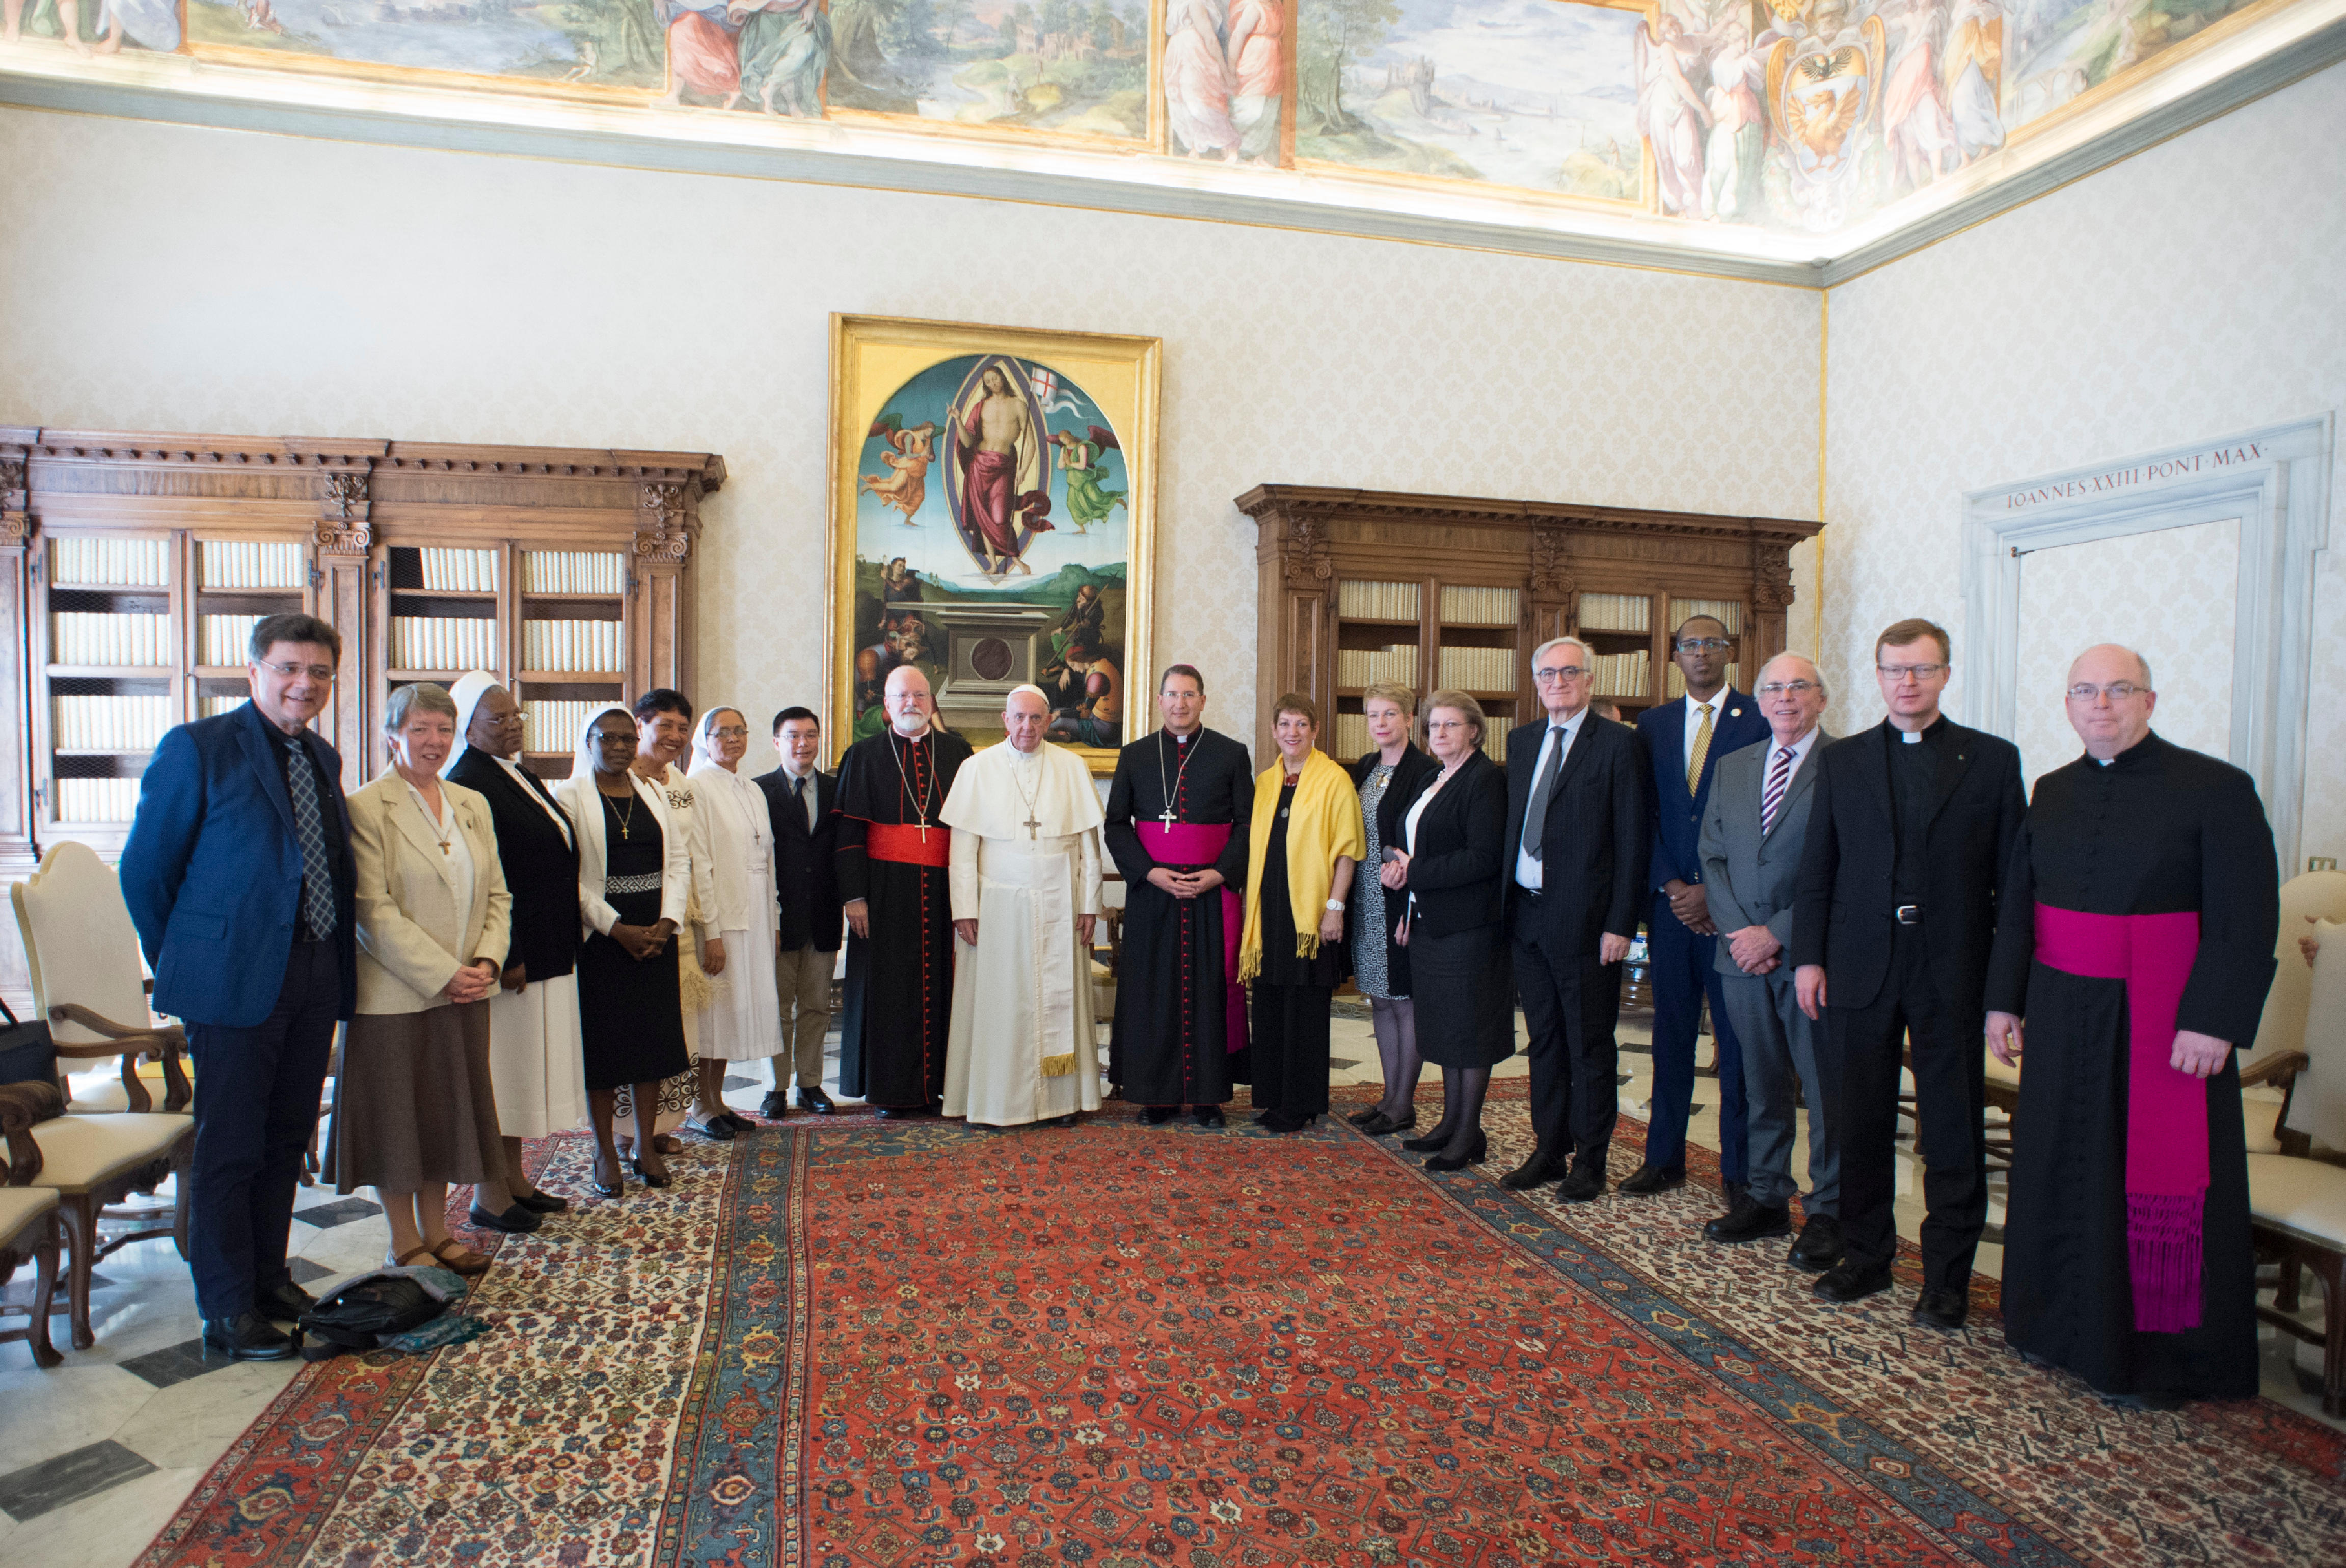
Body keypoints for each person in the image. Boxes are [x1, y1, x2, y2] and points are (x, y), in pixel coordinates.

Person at [1985, 646, 2279, 1406]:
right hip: (2060, 1009)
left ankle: (2159, 1359)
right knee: (2057, 1164)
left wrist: (2213, 1021)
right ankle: (2053, 1326)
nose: (2101, 704)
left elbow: (2245, 918)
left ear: (2149, 700)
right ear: (2068, 704)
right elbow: (2020, 902)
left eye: (2119, 689)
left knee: (2144, 1178)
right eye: (2085, 690)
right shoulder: (2052, 789)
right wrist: (2002, 1000)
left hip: (2163, 1019)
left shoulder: (2216, 788)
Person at [121, 613, 358, 1361]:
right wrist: (191, 958)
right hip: (232, 981)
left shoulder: (322, 754)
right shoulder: (198, 747)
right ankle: (226, 1308)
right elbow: (145, 871)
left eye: (319, 672)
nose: (304, 684)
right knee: (230, 1144)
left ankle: (268, 1278)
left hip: (314, 970)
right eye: (290, 668)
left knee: (287, 1136)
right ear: (254, 670)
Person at [1793, 618, 2026, 1328]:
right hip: (1859, 962)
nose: (1908, 682)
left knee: (1951, 1127)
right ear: (1878, 676)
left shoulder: (1991, 760)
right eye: (1895, 670)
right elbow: (1819, 866)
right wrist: (1808, 957)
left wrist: (2006, 992)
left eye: (1922, 669)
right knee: (1859, 1119)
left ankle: (1947, 1279)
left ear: (1945, 674)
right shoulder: (1844, 760)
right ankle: (1866, 1257)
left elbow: (2015, 886)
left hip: (1952, 965)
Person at [328, 683, 519, 1277]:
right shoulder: (365, 806)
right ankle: (403, 1238)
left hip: (468, 990)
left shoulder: (470, 803)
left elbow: (498, 894)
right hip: (395, 994)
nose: (433, 741)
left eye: (443, 729)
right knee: (397, 1119)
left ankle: (438, 1231)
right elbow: (371, 909)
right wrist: (442, 974)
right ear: (393, 737)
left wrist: (486, 961)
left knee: (444, 1114)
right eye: (419, 729)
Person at [1697, 653, 1840, 1268]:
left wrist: (1775, 933)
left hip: (1810, 956)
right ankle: (1766, 1196)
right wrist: (1740, 933)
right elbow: (1712, 856)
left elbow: (1848, 867)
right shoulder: (1733, 766)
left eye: (1799, 686)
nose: (1786, 698)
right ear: (1759, 702)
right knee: (1760, 1082)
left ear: (1821, 699)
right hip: (1740, 957)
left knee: (1824, 1089)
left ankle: (1829, 1209)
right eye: (1774, 688)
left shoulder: (1845, 765)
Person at [1502, 636, 1651, 1199]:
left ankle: (1591, 1159)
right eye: (1547, 674)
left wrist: (1622, 924)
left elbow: (1632, 838)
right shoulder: (1522, 741)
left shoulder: (1618, 744)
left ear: (1588, 680)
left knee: (1588, 1043)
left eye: (1569, 673)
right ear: (1536, 682)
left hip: (1588, 922)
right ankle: (1548, 1149)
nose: (1557, 682)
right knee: (1543, 1039)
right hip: (1527, 914)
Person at [1631, 616, 1767, 1198]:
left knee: (1736, 1046)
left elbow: (1765, 817)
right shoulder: (1653, 725)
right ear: (1675, 656)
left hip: (1734, 911)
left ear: (1728, 652)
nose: (1702, 654)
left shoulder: (1759, 718)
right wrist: (1672, 885)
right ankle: (1663, 1159)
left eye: (1712, 644)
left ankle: (1739, 1173)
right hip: (1671, 910)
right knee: (1671, 1036)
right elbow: (1644, 813)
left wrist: (1714, 890)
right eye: (1690, 645)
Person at [443, 671, 583, 1217]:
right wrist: (509, 953)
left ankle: (516, 1180)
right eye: (497, 719)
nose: (512, 725)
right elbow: (488, 880)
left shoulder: (515, 772)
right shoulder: (469, 780)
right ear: (468, 727)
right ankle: (490, 1196)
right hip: (513, 955)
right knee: (501, 1076)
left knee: (522, 1075)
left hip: (548, 944)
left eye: (515, 715)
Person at [940, 686, 1107, 1128]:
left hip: (1060, 901)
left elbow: (1089, 848)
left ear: (1049, 721)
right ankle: (995, 1100)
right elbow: (962, 851)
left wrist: (1090, 905)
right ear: (1005, 719)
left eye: (1036, 718)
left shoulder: (1071, 767)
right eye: (1019, 718)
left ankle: (1061, 1101)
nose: (1027, 727)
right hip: (997, 907)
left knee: (1060, 1000)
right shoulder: (976, 769)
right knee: (1001, 1004)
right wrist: (964, 909)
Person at [1103, 664, 1254, 1127]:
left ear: (1203, 701)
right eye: (1172, 695)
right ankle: (1156, 1095)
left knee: (1210, 990)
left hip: (1211, 893)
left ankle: (1208, 1097)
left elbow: (1247, 824)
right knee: (1153, 990)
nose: (1180, 704)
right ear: (1159, 701)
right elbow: (1116, 825)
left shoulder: (1231, 754)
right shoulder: (1135, 755)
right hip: (1154, 894)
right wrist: (1150, 873)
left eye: (1189, 695)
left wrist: (1219, 874)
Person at [557, 709, 692, 1195]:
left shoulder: (653, 792)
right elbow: (567, 877)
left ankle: (644, 1145)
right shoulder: (569, 797)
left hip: (656, 935)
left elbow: (678, 861)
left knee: (651, 1043)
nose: (618, 747)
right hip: (603, 940)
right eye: (607, 738)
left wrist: (668, 922)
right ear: (589, 741)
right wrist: (616, 928)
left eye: (626, 739)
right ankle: (604, 1150)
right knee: (606, 1049)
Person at [835, 666, 974, 1115]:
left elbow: (975, 827)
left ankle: (943, 1087)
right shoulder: (863, 755)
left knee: (945, 984)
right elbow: (849, 834)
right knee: (889, 990)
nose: (911, 703)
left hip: (945, 888)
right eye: (901, 696)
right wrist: (854, 896)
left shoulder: (958, 753)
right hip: (884, 891)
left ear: (932, 702)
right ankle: (892, 1091)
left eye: (919, 695)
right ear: (887, 705)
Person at [1383, 694, 1512, 1171]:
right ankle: (1450, 1122)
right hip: (1428, 922)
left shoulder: (1485, 780)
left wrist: (1413, 872)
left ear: (1474, 731)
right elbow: (1411, 847)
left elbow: (1483, 858)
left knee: (1470, 1031)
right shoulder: (1432, 777)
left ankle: (1468, 1133)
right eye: (1433, 726)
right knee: (1443, 1028)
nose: (1439, 734)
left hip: (1469, 927)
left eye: (1450, 725)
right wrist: (1404, 896)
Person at [1238, 694, 1364, 1134]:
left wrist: (1334, 908)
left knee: (1304, 1010)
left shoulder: (1334, 780)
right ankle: (1272, 1097)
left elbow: (1347, 851)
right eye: (1285, 725)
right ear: (1274, 731)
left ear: (1314, 730)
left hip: (1310, 915)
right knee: (1270, 1004)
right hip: (1268, 913)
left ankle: (1301, 1103)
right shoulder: (1265, 782)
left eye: (1301, 725)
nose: (1292, 733)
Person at [631, 689, 729, 1143]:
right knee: (637, 1028)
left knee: (681, 1027)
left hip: (682, 921)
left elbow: (698, 860)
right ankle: (627, 1132)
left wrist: (712, 930)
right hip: (634, 920)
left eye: (682, 728)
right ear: (640, 725)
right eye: (664, 726)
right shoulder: (615, 778)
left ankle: (663, 1124)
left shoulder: (683, 785)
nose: (674, 736)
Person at [1344, 682, 1437, 1136]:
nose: (1379, 723)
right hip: (1366, 899)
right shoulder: (1366, 767)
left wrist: (1404, 875)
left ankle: (1403, 1104)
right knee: (1379, 999)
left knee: (1405, 1001)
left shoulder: (1425, 771)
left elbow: (1427, 836)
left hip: (1400, 901)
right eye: (1372, 715)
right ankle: (1387, 1097)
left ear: (1409, 718)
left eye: (1389, 714)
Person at [687, 707, 784, 1125]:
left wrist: (774, 921)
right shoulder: (696, 787)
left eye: (739, 731)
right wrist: (711, 932)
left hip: (757, 913)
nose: (732, 739)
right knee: (714, 1014)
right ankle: (699, 1106)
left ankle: (718, 1101)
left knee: (735, 1014)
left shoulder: (752, 788)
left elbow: (769, 859)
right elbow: (700, 865)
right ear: (704, 740)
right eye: (722, 732)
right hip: (722, 916)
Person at [755, 706, 840, 1118]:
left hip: (823, 914)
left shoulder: (837, 788)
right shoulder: (758, 792)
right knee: (776, 1008)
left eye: (810, 735)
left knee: (816, 1006)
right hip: (778, 917)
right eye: (793, 736)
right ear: (777, 742)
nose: (802, 744)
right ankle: (774, 1088)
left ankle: (810, 1084)